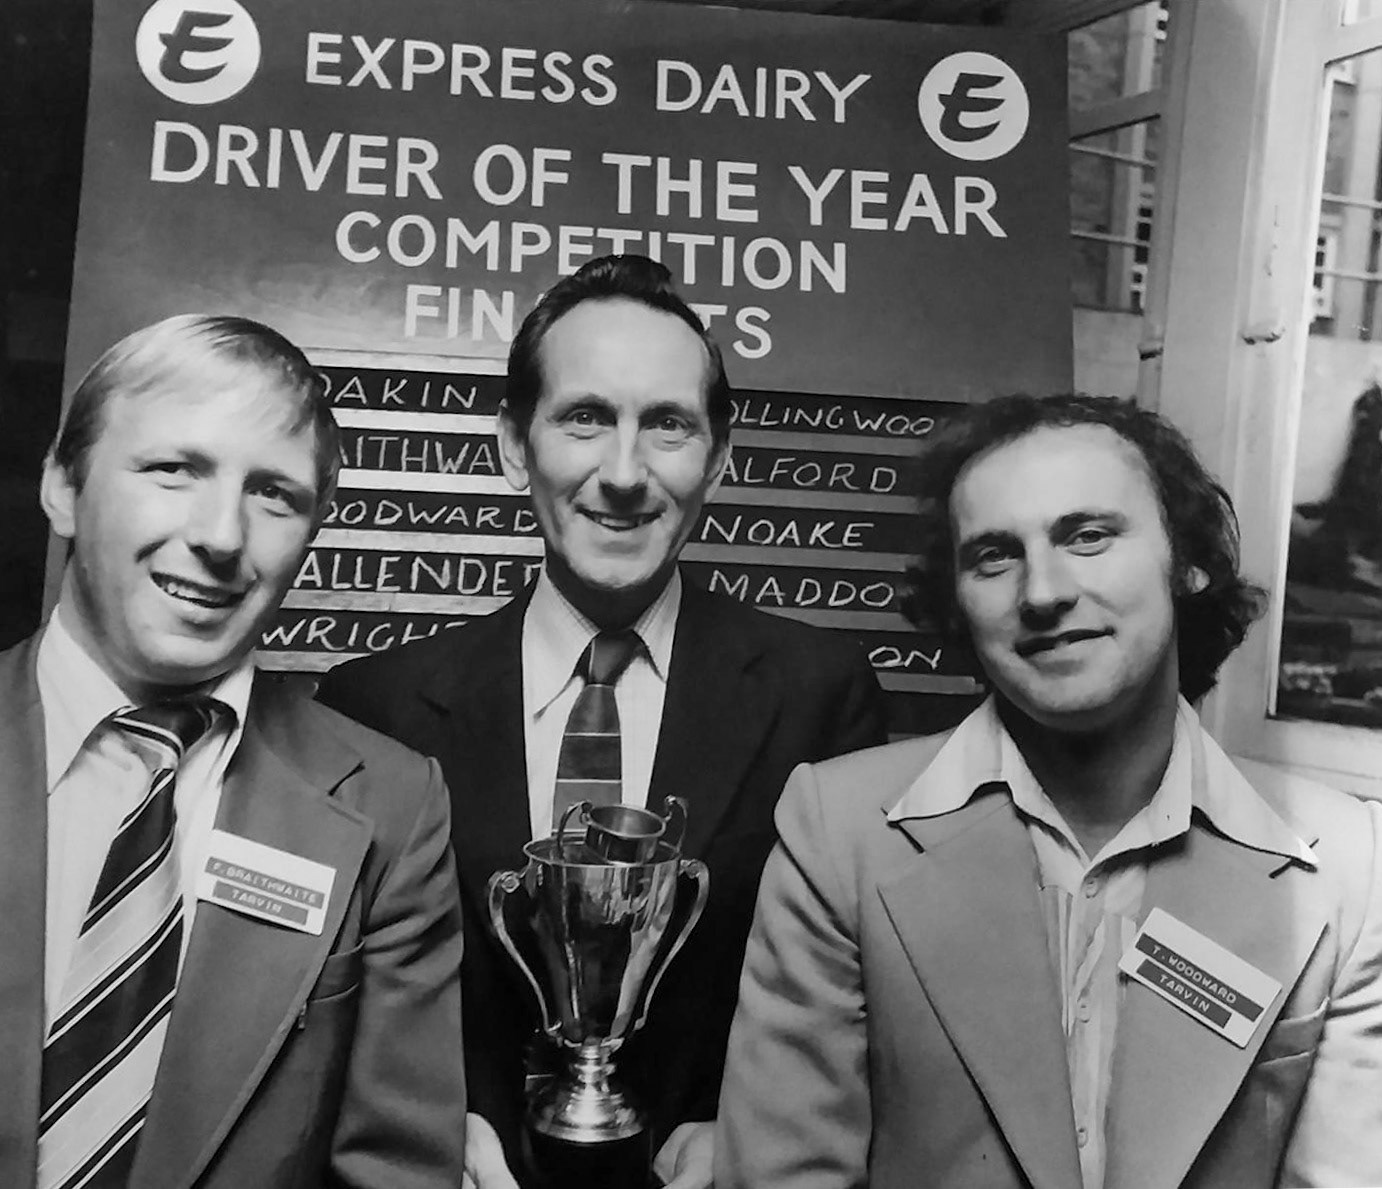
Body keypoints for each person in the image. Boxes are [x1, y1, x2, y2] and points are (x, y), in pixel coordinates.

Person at [316, 254, 887, 1189]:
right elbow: (331, 1004)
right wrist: (410, 1120)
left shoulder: (821, 694)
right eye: (585, 417)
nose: (623, 473)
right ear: (513, 444)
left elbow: (864, 995)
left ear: (720, 456)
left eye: (667, 424)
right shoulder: (372, 705)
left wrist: (754, 1124)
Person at [717, 394, 1382, 1189]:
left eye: (1089, 535)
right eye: (994, 555)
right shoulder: (839, 831)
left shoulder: (1345, 867)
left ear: (1188, 562)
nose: (1042, 590)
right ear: (957, 601)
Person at [0, 314, 467, 1189]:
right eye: (174, 469)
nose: (222, 535)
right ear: (63, 484)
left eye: (275, 495)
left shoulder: (390, 812)